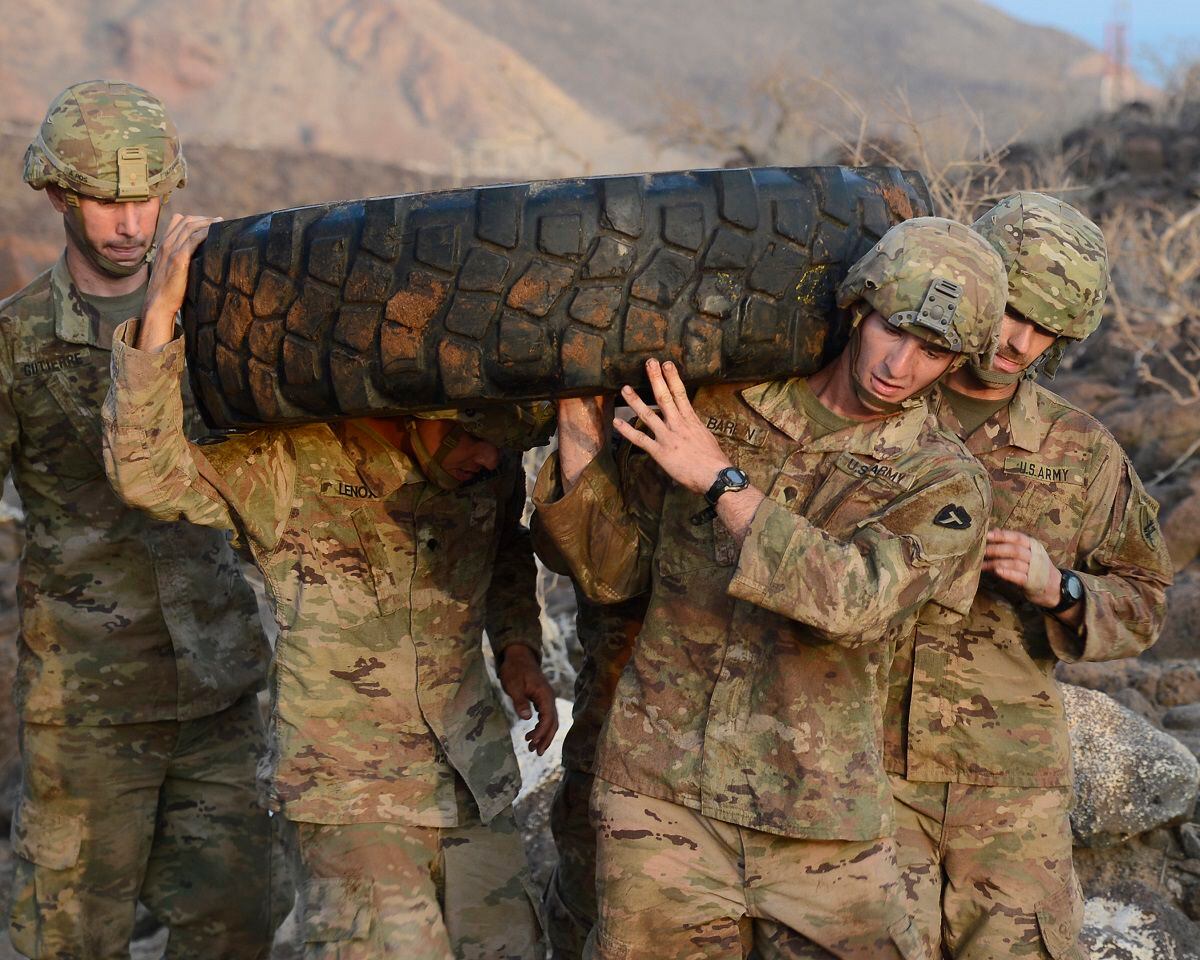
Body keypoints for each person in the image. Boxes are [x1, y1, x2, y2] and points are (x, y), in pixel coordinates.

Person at [533, 217, 1007, 959]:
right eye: (894, 329)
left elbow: (855, 603)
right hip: (662, 800)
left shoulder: (943, 479)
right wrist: (576, 413)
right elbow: (610, 572)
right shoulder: (717, 409)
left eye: (935, 350)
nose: (902, 364)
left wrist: (722, 483)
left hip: (819, 818)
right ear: (859, 310)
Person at [102, 214, 559, 959]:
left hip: (472, 773)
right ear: (416, 408)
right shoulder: (294, 463)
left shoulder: (490, 463)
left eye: (504, 444)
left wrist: (516, 647)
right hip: (350, 793)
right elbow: (145, 472)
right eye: (471, 435)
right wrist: (159, 314)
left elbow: (505, 549)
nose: (489, 457)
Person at [0, 80, 278, 958]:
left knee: (234, 932)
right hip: (85, 709)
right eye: (107, 199)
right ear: (57, 195)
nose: (131, 223)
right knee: (68, 939)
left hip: (218, 693)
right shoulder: (16, 344)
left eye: (146, 197)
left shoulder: (223, 324)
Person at [884, 193, 1174, 959]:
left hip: (1006, 788)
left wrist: (1062, 589)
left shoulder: (1083, 453)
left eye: (1044, 328)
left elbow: (1147, 599)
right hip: (866, 772)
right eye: (1011, 311)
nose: (1018, 341)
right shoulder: (882, 407)